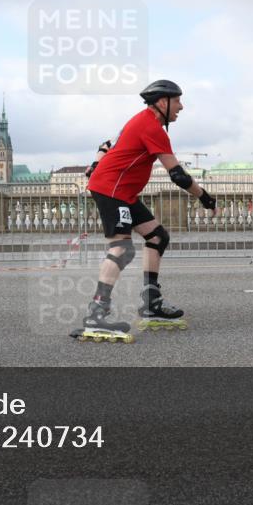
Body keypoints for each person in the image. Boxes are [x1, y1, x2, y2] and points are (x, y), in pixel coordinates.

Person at [73, 79, 218, 342]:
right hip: (112, 190)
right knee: (122, 248)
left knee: (158, 236)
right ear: (163, 102)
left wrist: (95, 164)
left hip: (122, 192)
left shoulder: (138, 120)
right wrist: (206, 198)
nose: (181, 107)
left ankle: (151, 302)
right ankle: (96, 313)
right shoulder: (152, 126)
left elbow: (105, 144)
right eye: (177, 101)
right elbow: (178, 176)